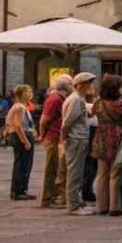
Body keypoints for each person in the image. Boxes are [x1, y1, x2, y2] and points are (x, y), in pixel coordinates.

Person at [91, 74, 122, 216]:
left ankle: (101, 206)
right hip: (117, 139)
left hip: (101, 138)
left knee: (102, 173)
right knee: (115, 174)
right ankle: (114, 206)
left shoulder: (98, 103)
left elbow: (92, 114)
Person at [62, 72, 96, 215]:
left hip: (79, 137)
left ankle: (77, 201)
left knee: (78, 172)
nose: (91, 85)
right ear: (80, 85)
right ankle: (73, 205)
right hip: (76, 138)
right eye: (88, 83)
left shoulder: (78, 99)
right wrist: (64, 139)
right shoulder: (76, 99)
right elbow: (67, 122)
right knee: (75, 173)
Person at [38, 74, 72, 208]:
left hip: (57, 137)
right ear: (65, 86)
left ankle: (53, 196)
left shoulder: (61, 98)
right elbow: (44, 120)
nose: (72, 86)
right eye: (71, 84)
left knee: (57, 168)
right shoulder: (55, 99)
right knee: (51, 169)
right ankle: (47, 199)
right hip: (52, 137)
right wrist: (42, 136)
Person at [4, 84, 37, 201]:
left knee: (22, 163)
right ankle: (19, 191)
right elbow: (17, 125)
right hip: (21, 135)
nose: (30, 94)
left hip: (20, 135)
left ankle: (19, 190)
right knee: (23, 164)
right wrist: (25, 140)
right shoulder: (20, 107)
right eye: (26, 92)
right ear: (20, 94)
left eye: (30, 91)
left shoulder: (21, 107)